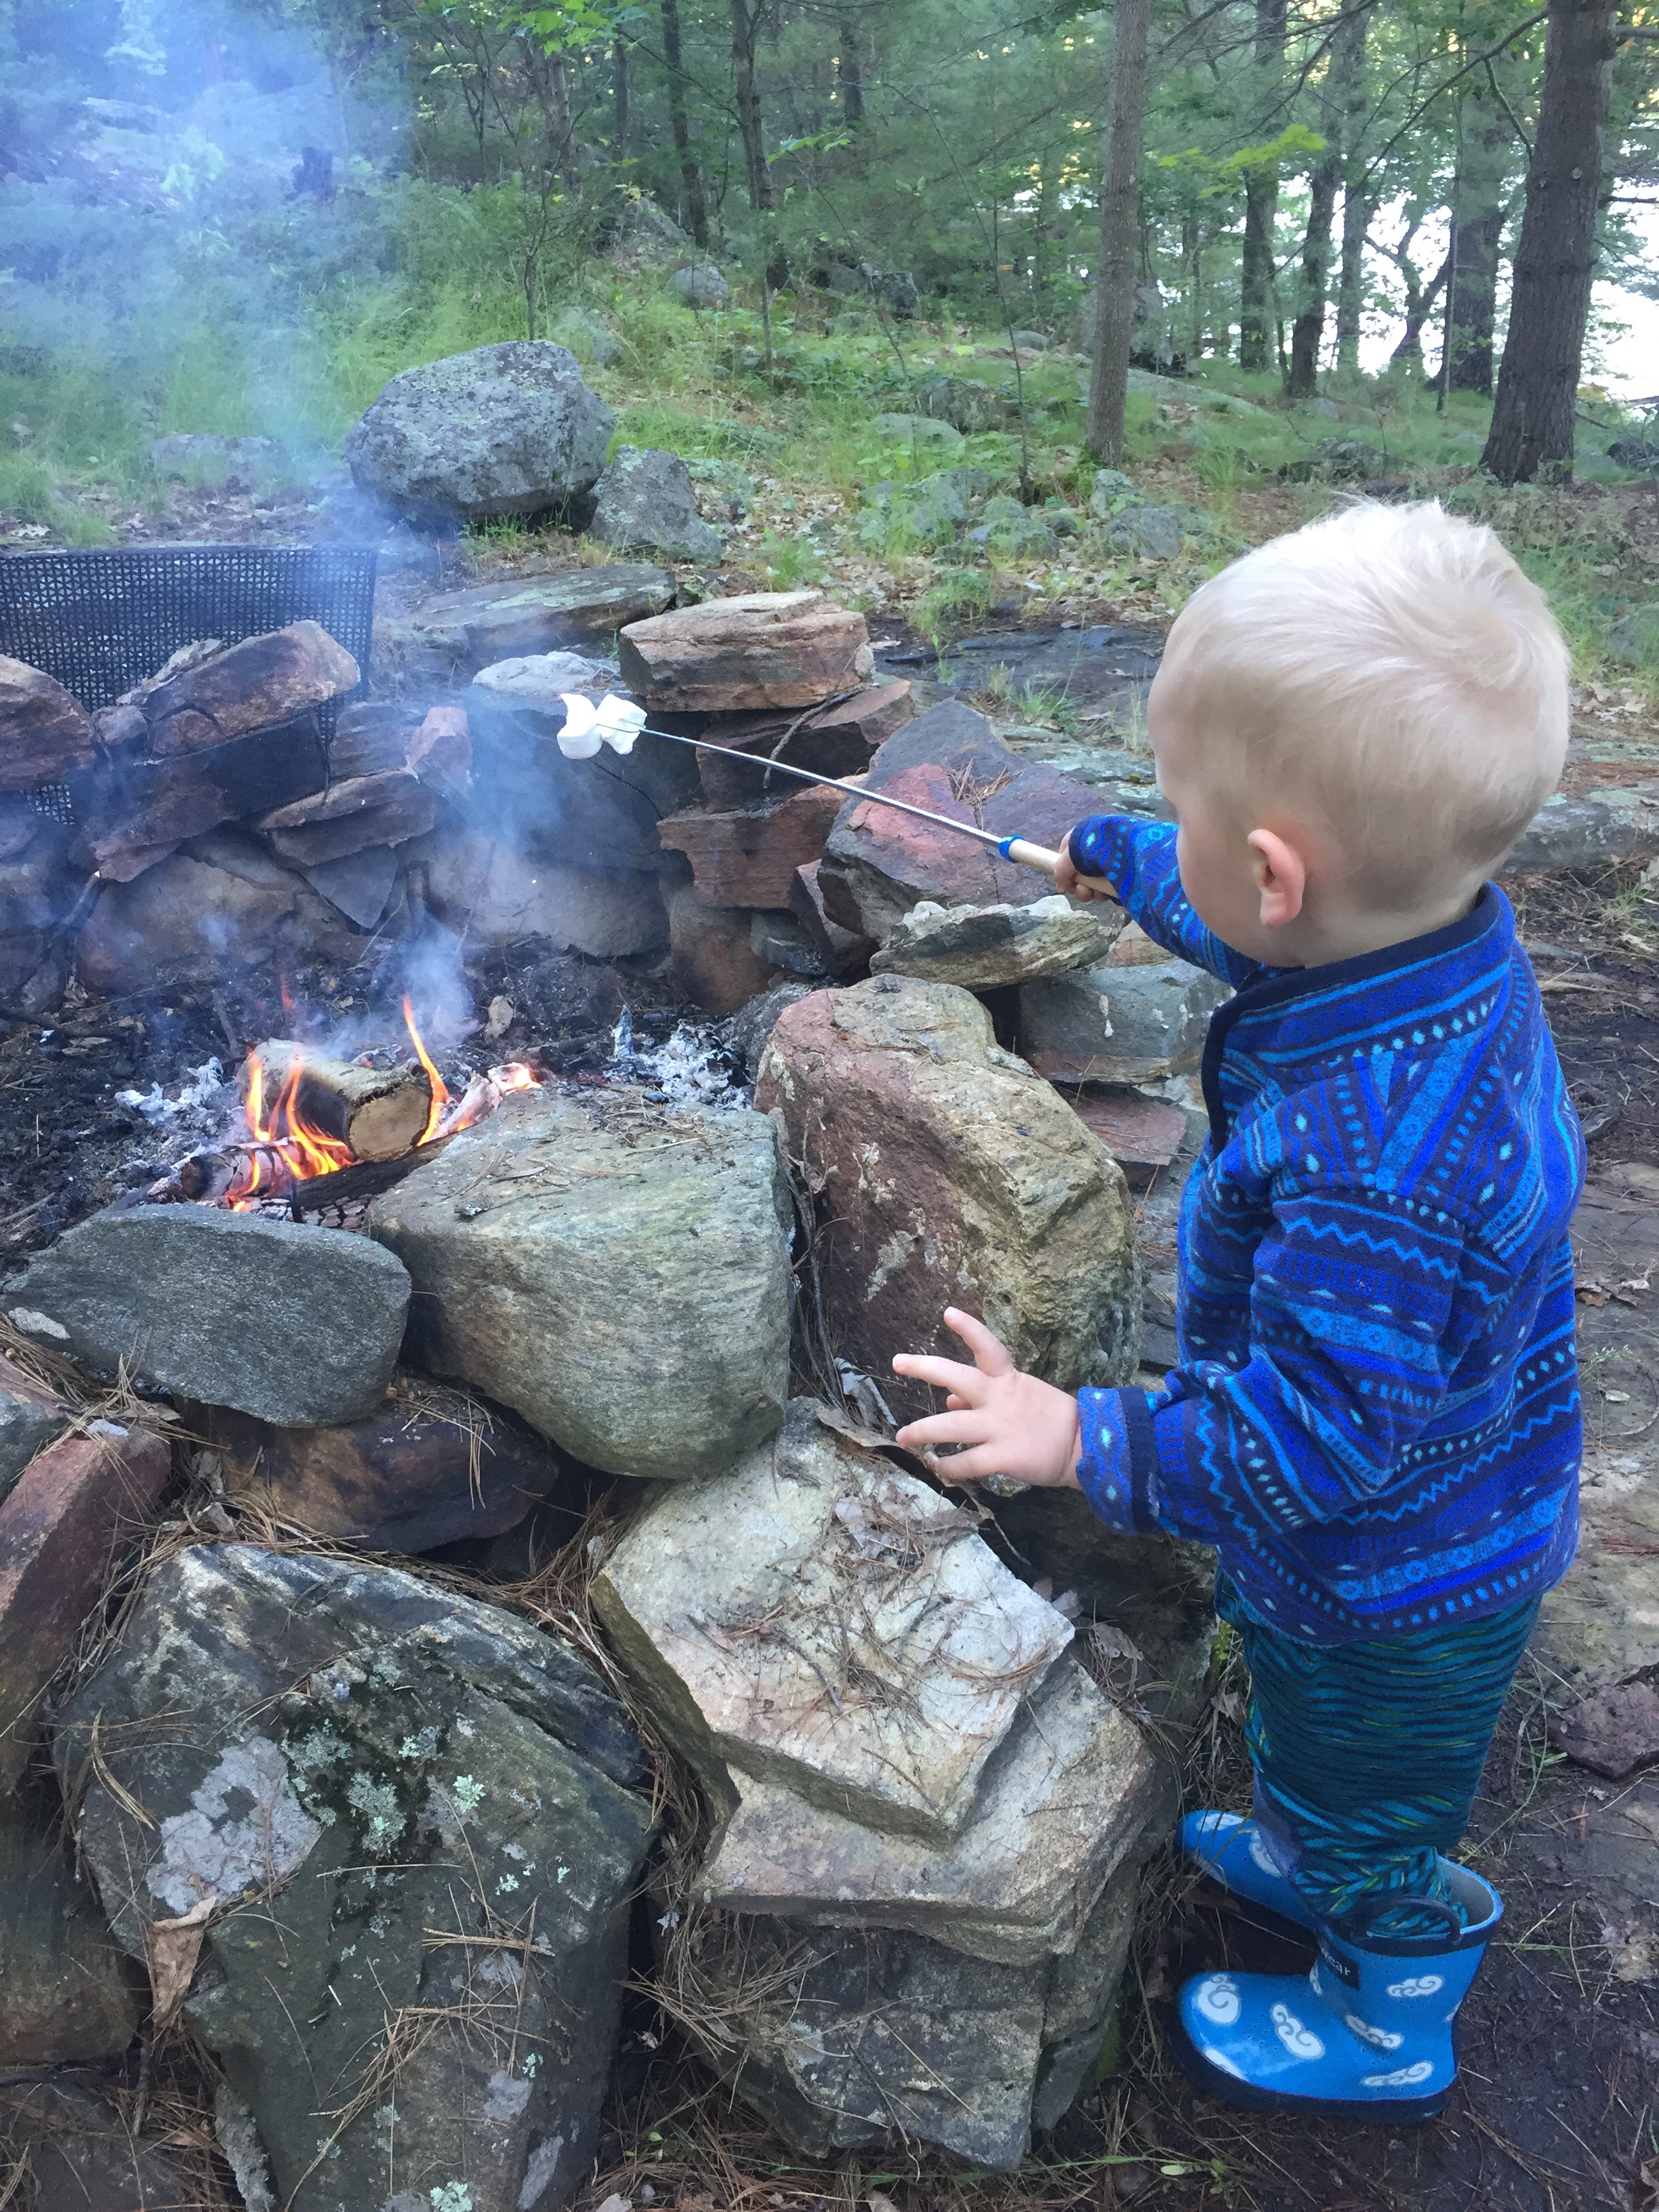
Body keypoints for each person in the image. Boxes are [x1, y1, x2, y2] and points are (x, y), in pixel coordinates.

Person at [891, 499, 1584, 2123]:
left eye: (1184, 809)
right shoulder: (1414, 942)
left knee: (1372, 1811)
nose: (1174, 832)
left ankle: (1386, 2004)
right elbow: (1252, 927)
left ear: (1278, 873)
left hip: (1400, 1575)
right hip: (1405, 1517)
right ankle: (1303, 1831)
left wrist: (1083, 1434)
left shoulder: (1386, 1167)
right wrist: (1131, 855)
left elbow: (1311, 1442)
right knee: (1313, 1739)